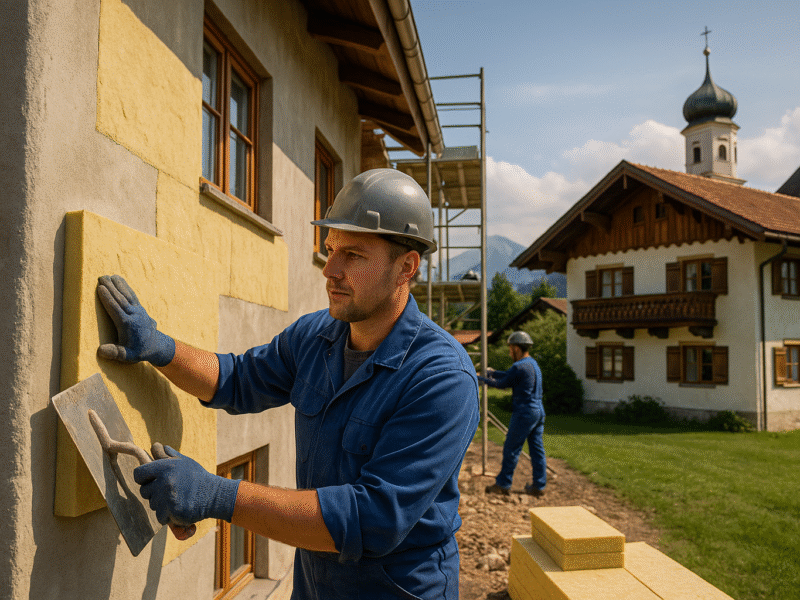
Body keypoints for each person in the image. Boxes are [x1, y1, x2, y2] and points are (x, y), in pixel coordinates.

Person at [96, 169, 479, 600]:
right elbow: (237, 379)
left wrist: (218, 495)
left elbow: (371, 518)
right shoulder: (318, 336)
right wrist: (162, 348)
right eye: (330, 249)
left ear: (405, 267)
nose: (330, 270)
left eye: (353, 255)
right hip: (315, 585)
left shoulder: (441, 378)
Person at [477, 331, 547, 497]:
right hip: (538, 411)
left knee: (511, 448)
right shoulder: (532, 364)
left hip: (524, 412)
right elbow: (511, 377)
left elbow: (503, 384)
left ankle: (503, 484)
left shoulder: (519, 366)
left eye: (510, 348)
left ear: (516, 348)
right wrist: (492, 372)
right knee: (537, 450)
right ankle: (539, 486)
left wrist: (482, 380)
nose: (509, 352)